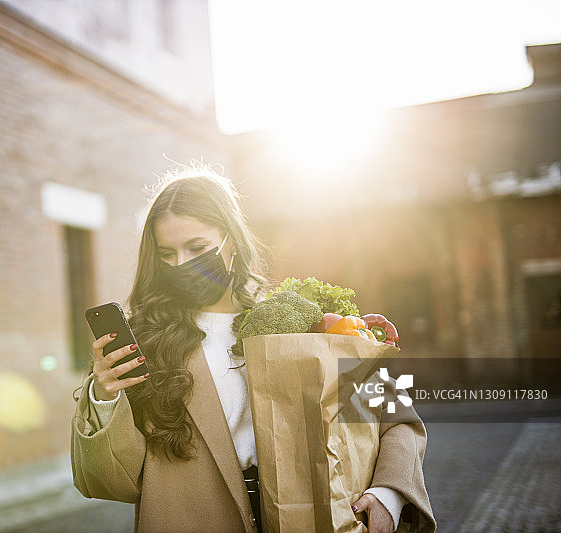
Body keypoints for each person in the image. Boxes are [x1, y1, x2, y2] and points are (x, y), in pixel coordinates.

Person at [71, 165, 435, 533]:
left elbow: (396, 418)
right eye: (167, 253)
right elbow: (111, 483)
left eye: (196, 247)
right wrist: (103, 397)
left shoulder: (297, 321)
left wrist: (388, 494)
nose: (180, 264)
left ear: (231, 240)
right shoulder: (145, 340)